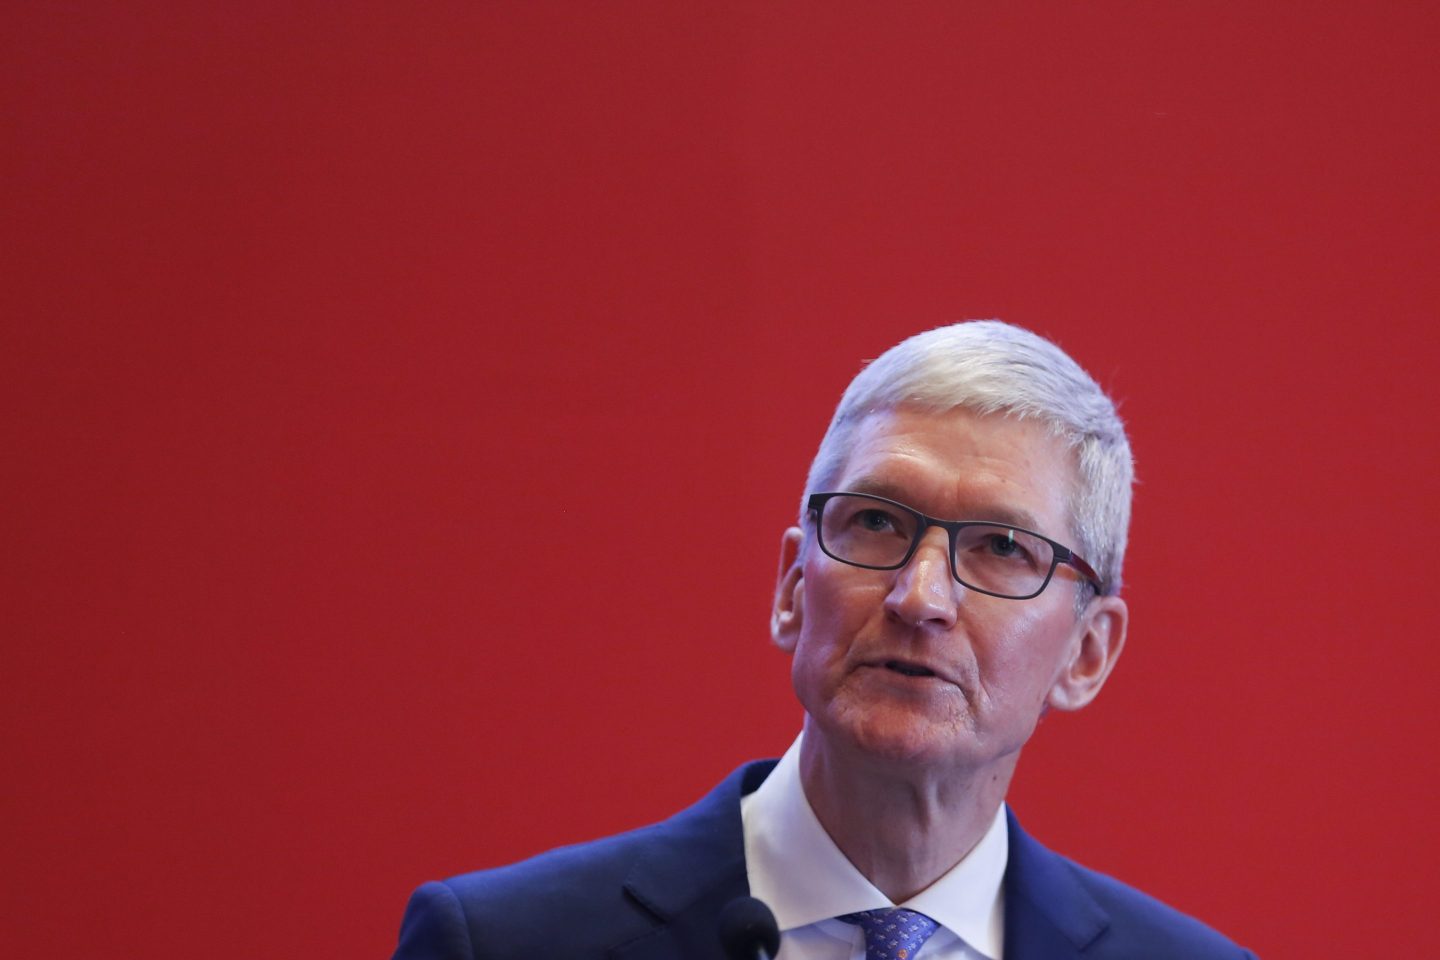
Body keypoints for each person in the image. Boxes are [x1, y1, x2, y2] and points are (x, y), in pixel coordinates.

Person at [392, 321, 1257, 959]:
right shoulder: (501, 943)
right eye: (876, 522)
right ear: (792, 589)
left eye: (1001, 547)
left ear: (1087, 654)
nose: (920, 597)